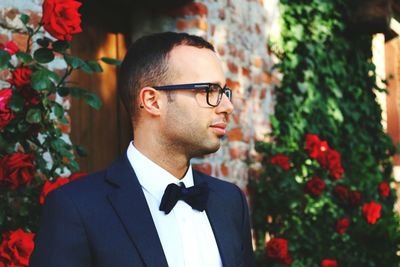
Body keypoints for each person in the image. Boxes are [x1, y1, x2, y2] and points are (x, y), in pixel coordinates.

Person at [30, 31, 255, 267]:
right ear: (152, 101)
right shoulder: (77, 209)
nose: (227, 106)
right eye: (208, 91)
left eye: (224, 92)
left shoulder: (230, 202)